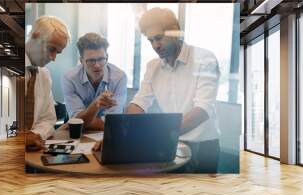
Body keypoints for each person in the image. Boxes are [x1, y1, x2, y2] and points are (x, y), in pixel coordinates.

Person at [126, 8, 221, 173]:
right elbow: (139, 103)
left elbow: (202, 110)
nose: (155, 45)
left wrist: (160, 135)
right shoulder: (153, 66)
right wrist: (125, 134)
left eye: (159, 38)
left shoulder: (204, 59)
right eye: (150, 41)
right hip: (171, 143)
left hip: (202, 146)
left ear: (175, 33)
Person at [62, 33, 127, 130]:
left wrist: (79, 122)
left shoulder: (119, 77)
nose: (97, 65)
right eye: (91, 61)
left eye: (101, 59)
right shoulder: (70, 78)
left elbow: (112, 121)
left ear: (107, 57)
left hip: (108, 132)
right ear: (81, 61)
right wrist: (95, 104)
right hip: (78, 133)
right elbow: (77, 121)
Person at [25, 15, 70, 151]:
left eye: (58, 52)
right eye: (51, 49)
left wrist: (34, 135)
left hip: (33, 149)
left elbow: (48, 120)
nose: (53, 58)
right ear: (34, 36)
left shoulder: (44, 74)